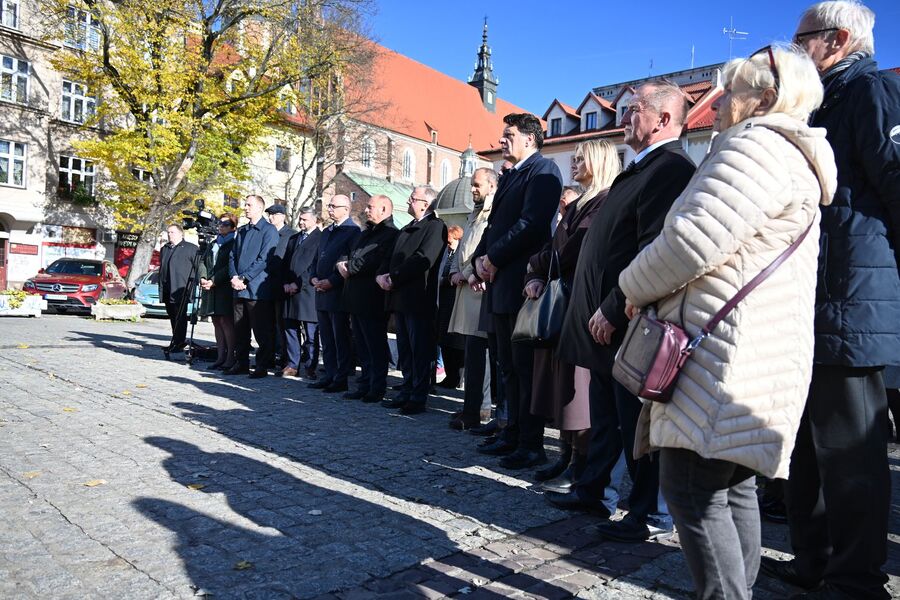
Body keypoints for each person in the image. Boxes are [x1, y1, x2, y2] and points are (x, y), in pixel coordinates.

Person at [619, 46, 836, 600]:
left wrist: (629, 286)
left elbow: (690, 242)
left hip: (723, 355)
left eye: (728, 93)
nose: (714, 106)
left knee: (691, 488)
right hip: (753, 352)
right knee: (731, 489)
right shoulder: (791, 156)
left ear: (765, 99)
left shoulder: (755, 147)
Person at [761, 4, 900, 599]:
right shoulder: (824, 100)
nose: (793, 52)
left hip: (853, 296)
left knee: (851, 451)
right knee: (808, 446)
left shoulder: (870, 92)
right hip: (817, 296)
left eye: (801, 41)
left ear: (837, 41)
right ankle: (812, 559)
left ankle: (856, 578)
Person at [551, 81, 695, 541]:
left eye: (635, 110)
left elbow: (652, 248)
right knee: (607, 417)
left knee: (636, 421)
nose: (625, 116)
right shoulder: (641, 167)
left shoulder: (670, 168)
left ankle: (648, 513)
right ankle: (594, 490)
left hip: (630, 321)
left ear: (663, 120)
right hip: (604, 323)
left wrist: (615, 307)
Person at [472, 113, 563, 470]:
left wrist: (493, 257)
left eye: (509, 134)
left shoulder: (543, 172)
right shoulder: (511, 174)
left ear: (530, 138)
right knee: (506, 365)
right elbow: (496, 225)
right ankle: (510, 432)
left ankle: (531, 444)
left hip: (521, 280)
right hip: (500, 281)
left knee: (524, 368)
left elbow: (531, 224)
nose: (503, 139)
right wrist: (481, 259)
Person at [528, 140, 620, 491]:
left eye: (582, 159)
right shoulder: (581, 202)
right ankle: (565, 456)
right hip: (564, 301)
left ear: (599, 162)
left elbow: (568, 251)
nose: (575, 164)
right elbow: (554, 249)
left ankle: (581, 465)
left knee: (578, 389)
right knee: (563, 383)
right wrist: (536, 272)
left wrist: (536, 264)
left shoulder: (603, 202)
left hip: (582, 303)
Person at [377, 186, 448, 415]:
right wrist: (383, 275)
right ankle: (406, 390)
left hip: (419, 299)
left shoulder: (435, 227)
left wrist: (394, 276)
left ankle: (418, 395)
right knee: (406, 349)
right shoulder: (408, 227)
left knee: (420, 350)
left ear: (425, 203)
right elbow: (392, 257)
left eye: (413, 198)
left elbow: (423, 259)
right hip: (400, 297)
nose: (409, 201)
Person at [447, 167, 498, 430]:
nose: (473, 189)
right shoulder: (473, 214)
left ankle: (481, 408)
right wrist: (456, 270)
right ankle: (471, 406)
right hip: (466, 289)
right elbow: (462, 248)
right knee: (472, 353)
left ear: (491, 185)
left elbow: (483, 250)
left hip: (479, 290)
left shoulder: (492, 214)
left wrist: (467, 273)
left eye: (477, 185)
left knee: (481, 355)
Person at [337, 195, 399, 404]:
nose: (366, 210)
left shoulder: (390, 234)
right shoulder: (366, 232)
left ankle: (377, 386)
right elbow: (349, 252)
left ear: (384, 209)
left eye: (370, 207)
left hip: (372, 298)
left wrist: (350, 268)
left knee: (375, 345)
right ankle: (364, 383)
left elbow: (376, 260)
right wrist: (342, 263)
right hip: (355, 296)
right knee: (361, 345)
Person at [309, 195, 361, 393]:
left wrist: (331, 281)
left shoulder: (352, 231)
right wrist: (313, 277)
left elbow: (349, 261)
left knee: (340, 338)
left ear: (346, 208)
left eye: (333, 206)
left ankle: (340, 377)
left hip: (337, 292)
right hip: (320, 290)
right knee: (327, 338)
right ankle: (329, 374)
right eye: (328, 205)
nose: (329, 209)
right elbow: (317, 257)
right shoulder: (327, 231)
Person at [227, 194, 279, 378]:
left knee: (261, 330)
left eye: (249, 205)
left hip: (256, 289)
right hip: (238, 288)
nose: (245, 207)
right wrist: (234, 276)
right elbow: (232, 256)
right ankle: (240, 363)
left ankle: (262, 365)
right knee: (240, 329)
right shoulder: (241, 231)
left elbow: (264, 259)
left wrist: (245, 278)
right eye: (245, 204)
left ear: (259, 207)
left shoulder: (269, 230)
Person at [281, 209, 322, 378]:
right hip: (290, 291)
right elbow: (285, 263)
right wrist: (285, 283)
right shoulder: (294, 238)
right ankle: (292, 364)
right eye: (300, 219)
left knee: (311, 333)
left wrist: (298, 284)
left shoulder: (320, 238)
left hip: (308, 291)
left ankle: (310, 366)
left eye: (304, 219)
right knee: (290, 329)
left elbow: (314, 265)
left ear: (314, 220)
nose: (301, 222)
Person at [199, 215, 237, 370]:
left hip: (224, 287)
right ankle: (220, 357)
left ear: (233, 227)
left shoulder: (234, 243)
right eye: (220, 223)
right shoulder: (214, 243)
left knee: (226, 322)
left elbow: (230, 266)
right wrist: (202, 277)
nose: (221, 226)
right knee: (216, 321)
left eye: (225, 224)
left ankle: (230, 357)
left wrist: (214, 280)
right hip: (210, 287)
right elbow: (202, 261)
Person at [158, 223, 198, 355]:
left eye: (172, 232)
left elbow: (197, 267)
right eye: (168, 232)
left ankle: (180, 342)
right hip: (168, 287)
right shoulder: (165, 248)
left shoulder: (191, 248)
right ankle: (175, 341)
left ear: (181, 233)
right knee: (172, 316)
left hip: (181, 288)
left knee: (180, 317)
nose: (170, 235)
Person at [266, 204, 297, 370]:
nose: (271, 218)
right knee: (267, 324)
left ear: (283, 216)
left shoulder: (291, 235)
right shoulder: (267, 232)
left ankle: (284, 357)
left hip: (281, 286)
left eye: (274, 214)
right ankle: (269, 356)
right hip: (265, 285)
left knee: (282, 324)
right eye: (269, 215)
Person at [435, 225, 465, 389]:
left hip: (456, 300)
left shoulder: (458, 255)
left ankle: (457, 376)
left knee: (456, 340)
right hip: (444, 301)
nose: (447, 245)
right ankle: (449, 374)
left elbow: (455, 275)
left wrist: (445, 281)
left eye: (450, 242)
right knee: (444, 339)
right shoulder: (446, 255)